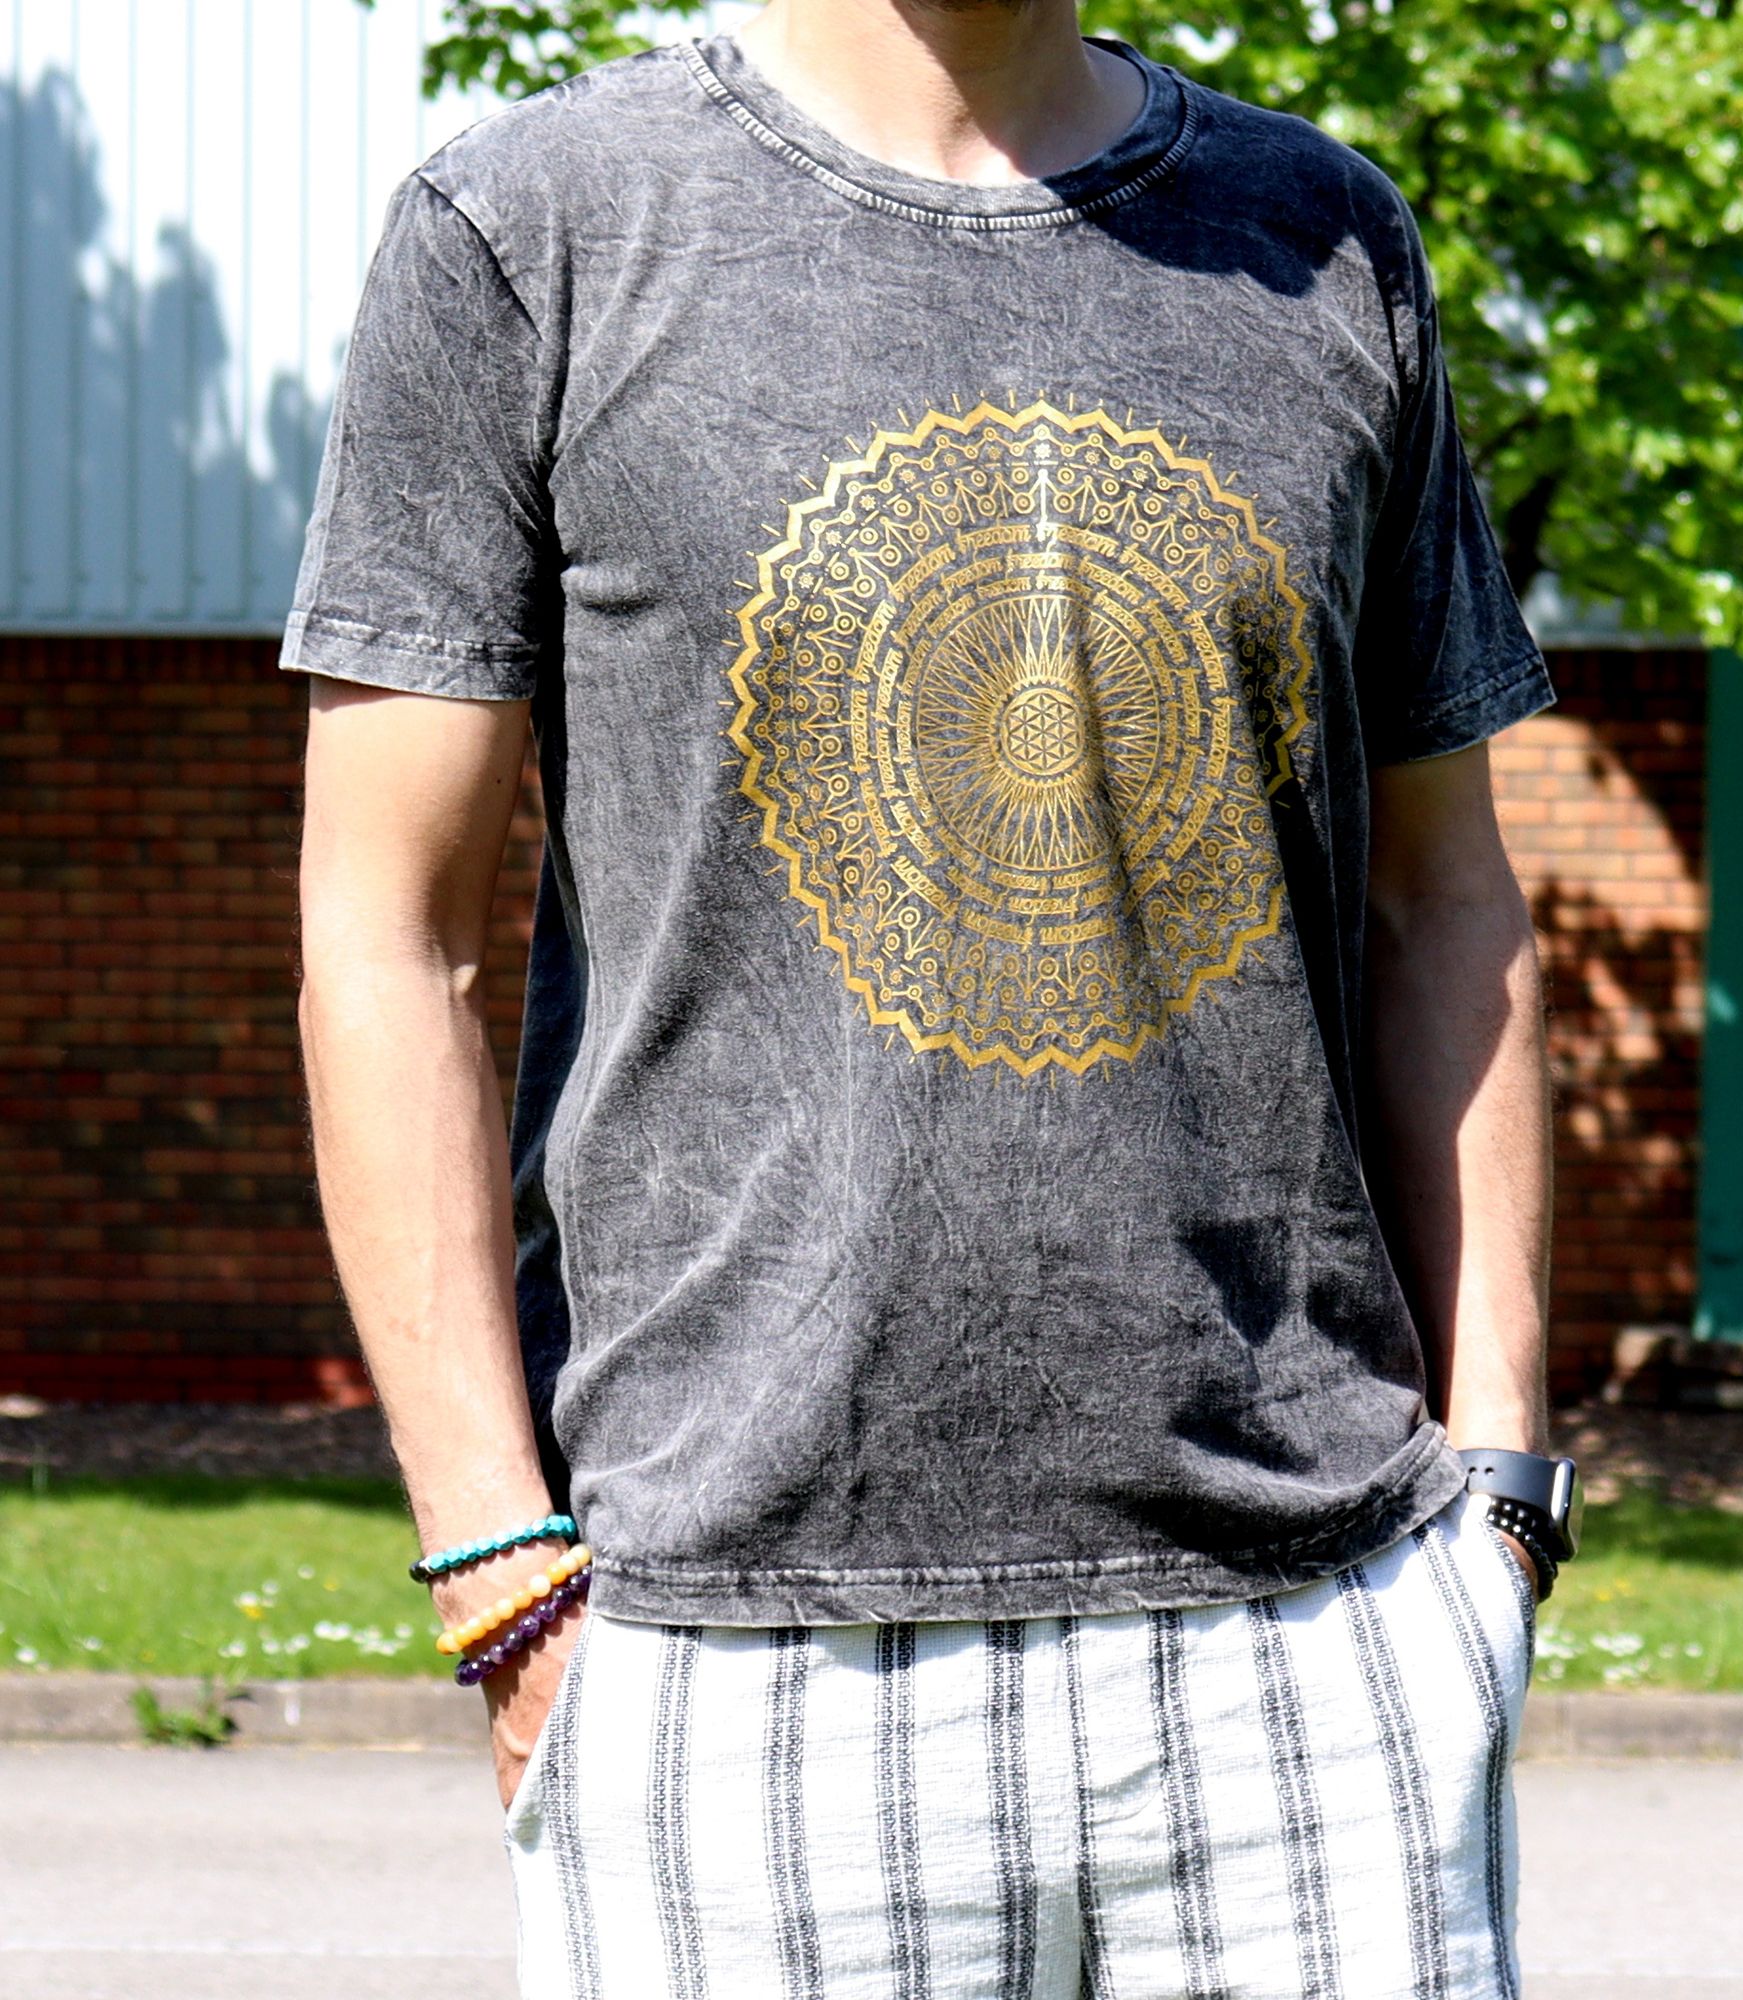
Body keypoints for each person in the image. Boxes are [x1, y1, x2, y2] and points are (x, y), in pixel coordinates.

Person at [284, 0, 1582, 1992]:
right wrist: (492, 1561)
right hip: (731, 1655)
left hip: (1312, 1650)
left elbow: (1446, 905)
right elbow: (391, 933)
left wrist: (1496, 1494)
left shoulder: (1324, 238)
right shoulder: (532, 229)